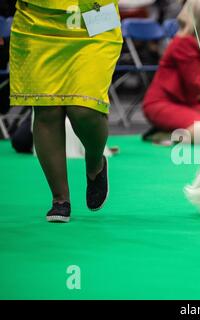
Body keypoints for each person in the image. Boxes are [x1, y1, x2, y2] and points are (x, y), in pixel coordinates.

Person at [9, 0, 123, 222]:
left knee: (84, 109)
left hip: (95, 11)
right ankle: (60, 199)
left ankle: (95, 162)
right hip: (37, 19)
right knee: (46, 109)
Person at [143, 0, 200, 144]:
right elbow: (194, 84)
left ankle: (169, 131)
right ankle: (161, 135)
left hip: (188, 103)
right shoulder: (183, 43)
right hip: (162, 103)